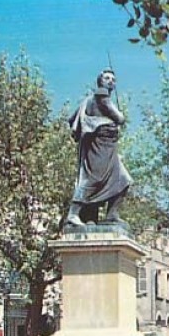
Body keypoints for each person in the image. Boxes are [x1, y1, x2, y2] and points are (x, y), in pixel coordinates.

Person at [65, 68, 131, 227]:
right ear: (100, 81)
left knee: (123, 179)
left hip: (108, 147)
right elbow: (120, 118)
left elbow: (71, 118)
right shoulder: (102, 96)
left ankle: (111, 214)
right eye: (107, 78)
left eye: (113, 79)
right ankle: (73, 214)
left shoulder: (87, 100)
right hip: (99, 146)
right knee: (93, 179)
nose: (111, 81)